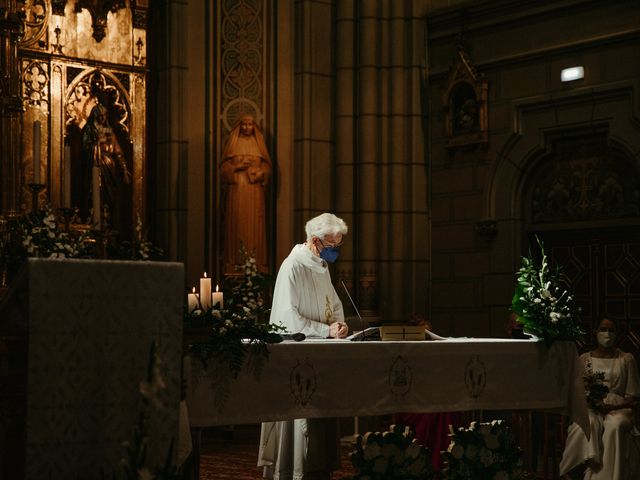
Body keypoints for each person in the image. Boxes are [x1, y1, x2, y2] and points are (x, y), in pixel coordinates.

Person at [258, 212, 349, 480]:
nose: (334, 252)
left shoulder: (321, 266)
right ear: (314, 240)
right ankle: (293, 471)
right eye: (331, 246)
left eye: (338, 246)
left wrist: (340, 325)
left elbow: (333, 306)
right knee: (299, 429)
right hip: (299, 359)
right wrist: (326, 330)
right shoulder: (293, 266)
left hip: (321, 356)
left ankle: (318, 469)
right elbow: (288, 320)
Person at [559, 316, 640, 480]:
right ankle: (575, 469)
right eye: (603, 329)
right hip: (591, 407)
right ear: (595, 331)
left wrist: (613, 408)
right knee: (587, 423)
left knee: (614, 426)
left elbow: (633, 396)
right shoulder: (584, 359)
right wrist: (592, 403)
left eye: (611, 330)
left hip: (620, 408)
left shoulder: (626, 359)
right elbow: (577, 391)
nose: (607, 334)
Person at [220, 115, 272, 274]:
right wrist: (237, 167)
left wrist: (261, 174)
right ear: (239, 126)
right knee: (237, 222)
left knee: (255, 224)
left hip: (255, 191)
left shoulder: (259, 143)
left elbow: (267, 168)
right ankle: (235, 262)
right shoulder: (233, 143)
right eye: (244, 124)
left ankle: (256, 263)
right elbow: (223, 170)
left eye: (250, 124)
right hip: (237, 189)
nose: (247, 127)